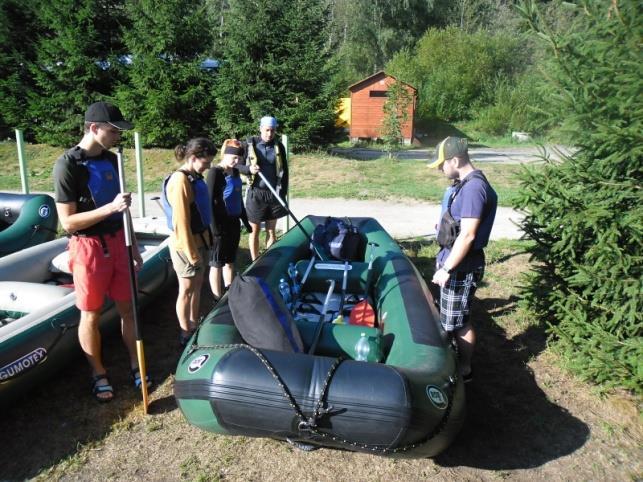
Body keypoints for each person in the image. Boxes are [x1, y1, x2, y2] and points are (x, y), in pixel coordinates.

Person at [53, 101, 146, 402]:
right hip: (88, 248)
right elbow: (67, 222)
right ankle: (99, 373)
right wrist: (110, 208)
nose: (118, 135)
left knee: (127, 310)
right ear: (94, 128)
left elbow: (124, 209)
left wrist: (133, 246)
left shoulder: (113, 160)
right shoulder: (68, 165)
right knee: (90, 315)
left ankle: (137, 365)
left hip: (120, 241)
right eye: (113, 130)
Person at [428, 136, 497, 383]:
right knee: (453, 317)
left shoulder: (474, 188)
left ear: (455, 160)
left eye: (441, 164)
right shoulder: (464, 184)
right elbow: (461, 225)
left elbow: (468, 235)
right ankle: (456, 361)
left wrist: (447, 268)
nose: (439, 169)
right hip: (455, 261)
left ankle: (464, 370)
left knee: (457, 323)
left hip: (461, 266)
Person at [162, 138, 216, 346]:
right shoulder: (180, 180)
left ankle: (194, 323)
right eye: (206, 162)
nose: (209, 166)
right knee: (186, 288)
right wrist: (192, 254)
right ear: (193, 158)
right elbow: (181, 222)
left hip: (198, 241)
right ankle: (185, 332)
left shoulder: (195, 176)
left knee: (197, 285)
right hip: (184, 246)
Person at [237, 116, 288, 260]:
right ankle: (255, 262)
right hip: (256, 194)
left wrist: (282, 193)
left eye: (272, 131)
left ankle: (269, 260)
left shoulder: (278, 146)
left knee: (271, 231)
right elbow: (237, 165)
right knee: (255, 230)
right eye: (267, 130)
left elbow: (285, 171)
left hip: (274, 194)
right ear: (260, 129)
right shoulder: (249, 144)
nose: (269, 134)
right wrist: (248, 169)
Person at [206, 139, 252, 300]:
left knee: (230, 261)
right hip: (219, 225)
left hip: (233, 223)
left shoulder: (235, 172)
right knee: (216, 263)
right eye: (234, 158)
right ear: (225, 155)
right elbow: (209, 202)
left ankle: (229, 292)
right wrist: (214, 229)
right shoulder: (215, 173)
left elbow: (238, 199)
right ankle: (216, 297)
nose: (237, 161)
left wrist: (246, 221)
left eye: (239, 158)